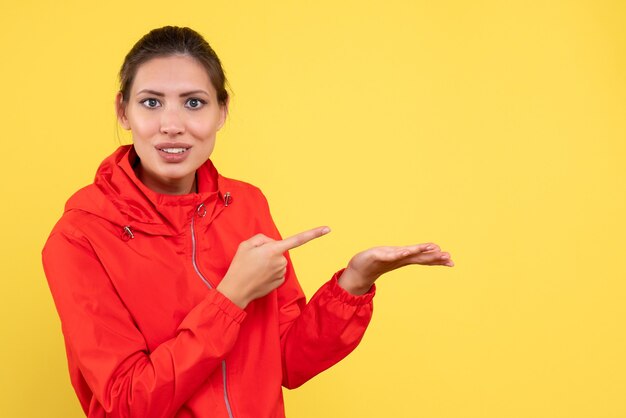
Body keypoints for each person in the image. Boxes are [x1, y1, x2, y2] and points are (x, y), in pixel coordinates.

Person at [42, 26, 454, 418]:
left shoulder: (245, 205)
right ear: (123, 110)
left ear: (221, 111)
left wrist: (354, 284)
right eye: (151, 102)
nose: (172, 125)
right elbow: (128, 402)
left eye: (194, 102)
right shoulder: (81, 235)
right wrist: (231, 298)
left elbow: (288, 360)